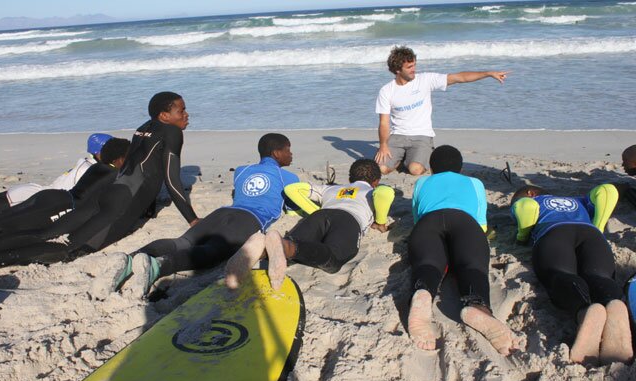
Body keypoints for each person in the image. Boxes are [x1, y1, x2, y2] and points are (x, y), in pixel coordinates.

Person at [0, 92, 198, 267]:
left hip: (107, 194)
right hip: (123, 204)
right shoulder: (172, 132)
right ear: (164, 115)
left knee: (44, 233)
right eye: (181, 111)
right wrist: (192, 219)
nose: (186, 115)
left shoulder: (143, 128)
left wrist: (149, 209)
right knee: (69, 249)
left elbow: (138, 166)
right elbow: (172, 180)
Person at [101, 133, 299, 298]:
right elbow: (293, 205)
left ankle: (128, 259)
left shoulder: (242, 170)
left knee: (182, 241)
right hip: (249, 220)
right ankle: (157, 267)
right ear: (277, 153)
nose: (291, 155)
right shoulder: (289, 177)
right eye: (289, 150)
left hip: (221, 213)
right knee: (213, 251)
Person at [407, 145, 520, 356]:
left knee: (428, 263)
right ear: (460, 169)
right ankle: (477, 305)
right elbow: (481, 224)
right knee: (472, 265)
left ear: (431, 169)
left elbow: (417, 218)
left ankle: (423, 292)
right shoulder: (474, 182)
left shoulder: (422, 182)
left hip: (428, 223)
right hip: (464, 222)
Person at [224, 159, 395, 291]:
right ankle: (279, 244)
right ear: (376, 181)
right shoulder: (372, 191)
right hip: (349, 220)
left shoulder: (331, 189)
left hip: (320, 216)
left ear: (350, 178)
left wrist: (313, 210)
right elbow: (386, 193)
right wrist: (380, 222)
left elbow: (293, 189)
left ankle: (263, 246)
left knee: (291, 250)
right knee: (333, 261)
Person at [510, 183, 633, 365]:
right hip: (592, 235)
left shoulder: (537, 201)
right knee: (599, 276)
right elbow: (607, 191)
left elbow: (525, 207)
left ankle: (585, 310)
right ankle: (615, 304)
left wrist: (521, 236)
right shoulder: (579, 201)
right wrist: (598, 225)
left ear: (530, 193)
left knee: (560, 274)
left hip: (553, 232)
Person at [374, 46, 508, 176]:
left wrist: (488, 73)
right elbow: (384, 123)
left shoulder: (425, 80)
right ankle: (401, 158)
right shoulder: (387, 91)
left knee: (415, 170)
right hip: (398, 136)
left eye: (414, 65)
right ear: (397, 69)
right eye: (409, 67)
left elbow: (459, 78)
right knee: (382, 169)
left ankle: (416, 156)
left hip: (422, 136)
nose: (414, 70)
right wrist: (383, 145)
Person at [0, 138, 130, 239]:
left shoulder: (85, 163)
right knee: (9, 224)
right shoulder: (91, 169)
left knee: (5, 219)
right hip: (32, 195)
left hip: (36, 192)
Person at [0, 133, 113, 212]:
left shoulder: (87, 163)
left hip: (32, 192)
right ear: (97, 152)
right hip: (29, 197)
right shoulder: (88, 169)